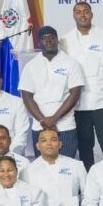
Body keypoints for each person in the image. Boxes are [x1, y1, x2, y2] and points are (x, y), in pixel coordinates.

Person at [60, 2, 103, 170]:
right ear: (73, 15)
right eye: (78, 12)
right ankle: (88, 179)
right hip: (78, 105)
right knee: (85, 148)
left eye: (86, 11)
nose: (83, 15)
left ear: (92, 14)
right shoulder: (65, 41)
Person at [19, 26, 83, 158]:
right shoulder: (31, 66)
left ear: (57, 41)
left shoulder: (71, 63)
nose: (48, 41)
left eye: (52, 37)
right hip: (39, 126)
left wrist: (54, 119)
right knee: (43, 165)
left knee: (66, 165)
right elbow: (27, 97)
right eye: (44, 38)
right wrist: (43, 120)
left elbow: (75, 93)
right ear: (38, 43)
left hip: (65, 125)